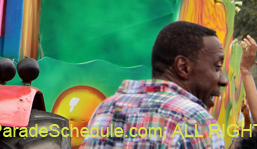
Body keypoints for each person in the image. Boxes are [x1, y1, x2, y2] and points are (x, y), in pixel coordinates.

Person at [81, 21, 227, 148]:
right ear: (183, 67)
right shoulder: (196, 120)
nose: (224, 80)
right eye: (217, 66)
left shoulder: (106, 108)